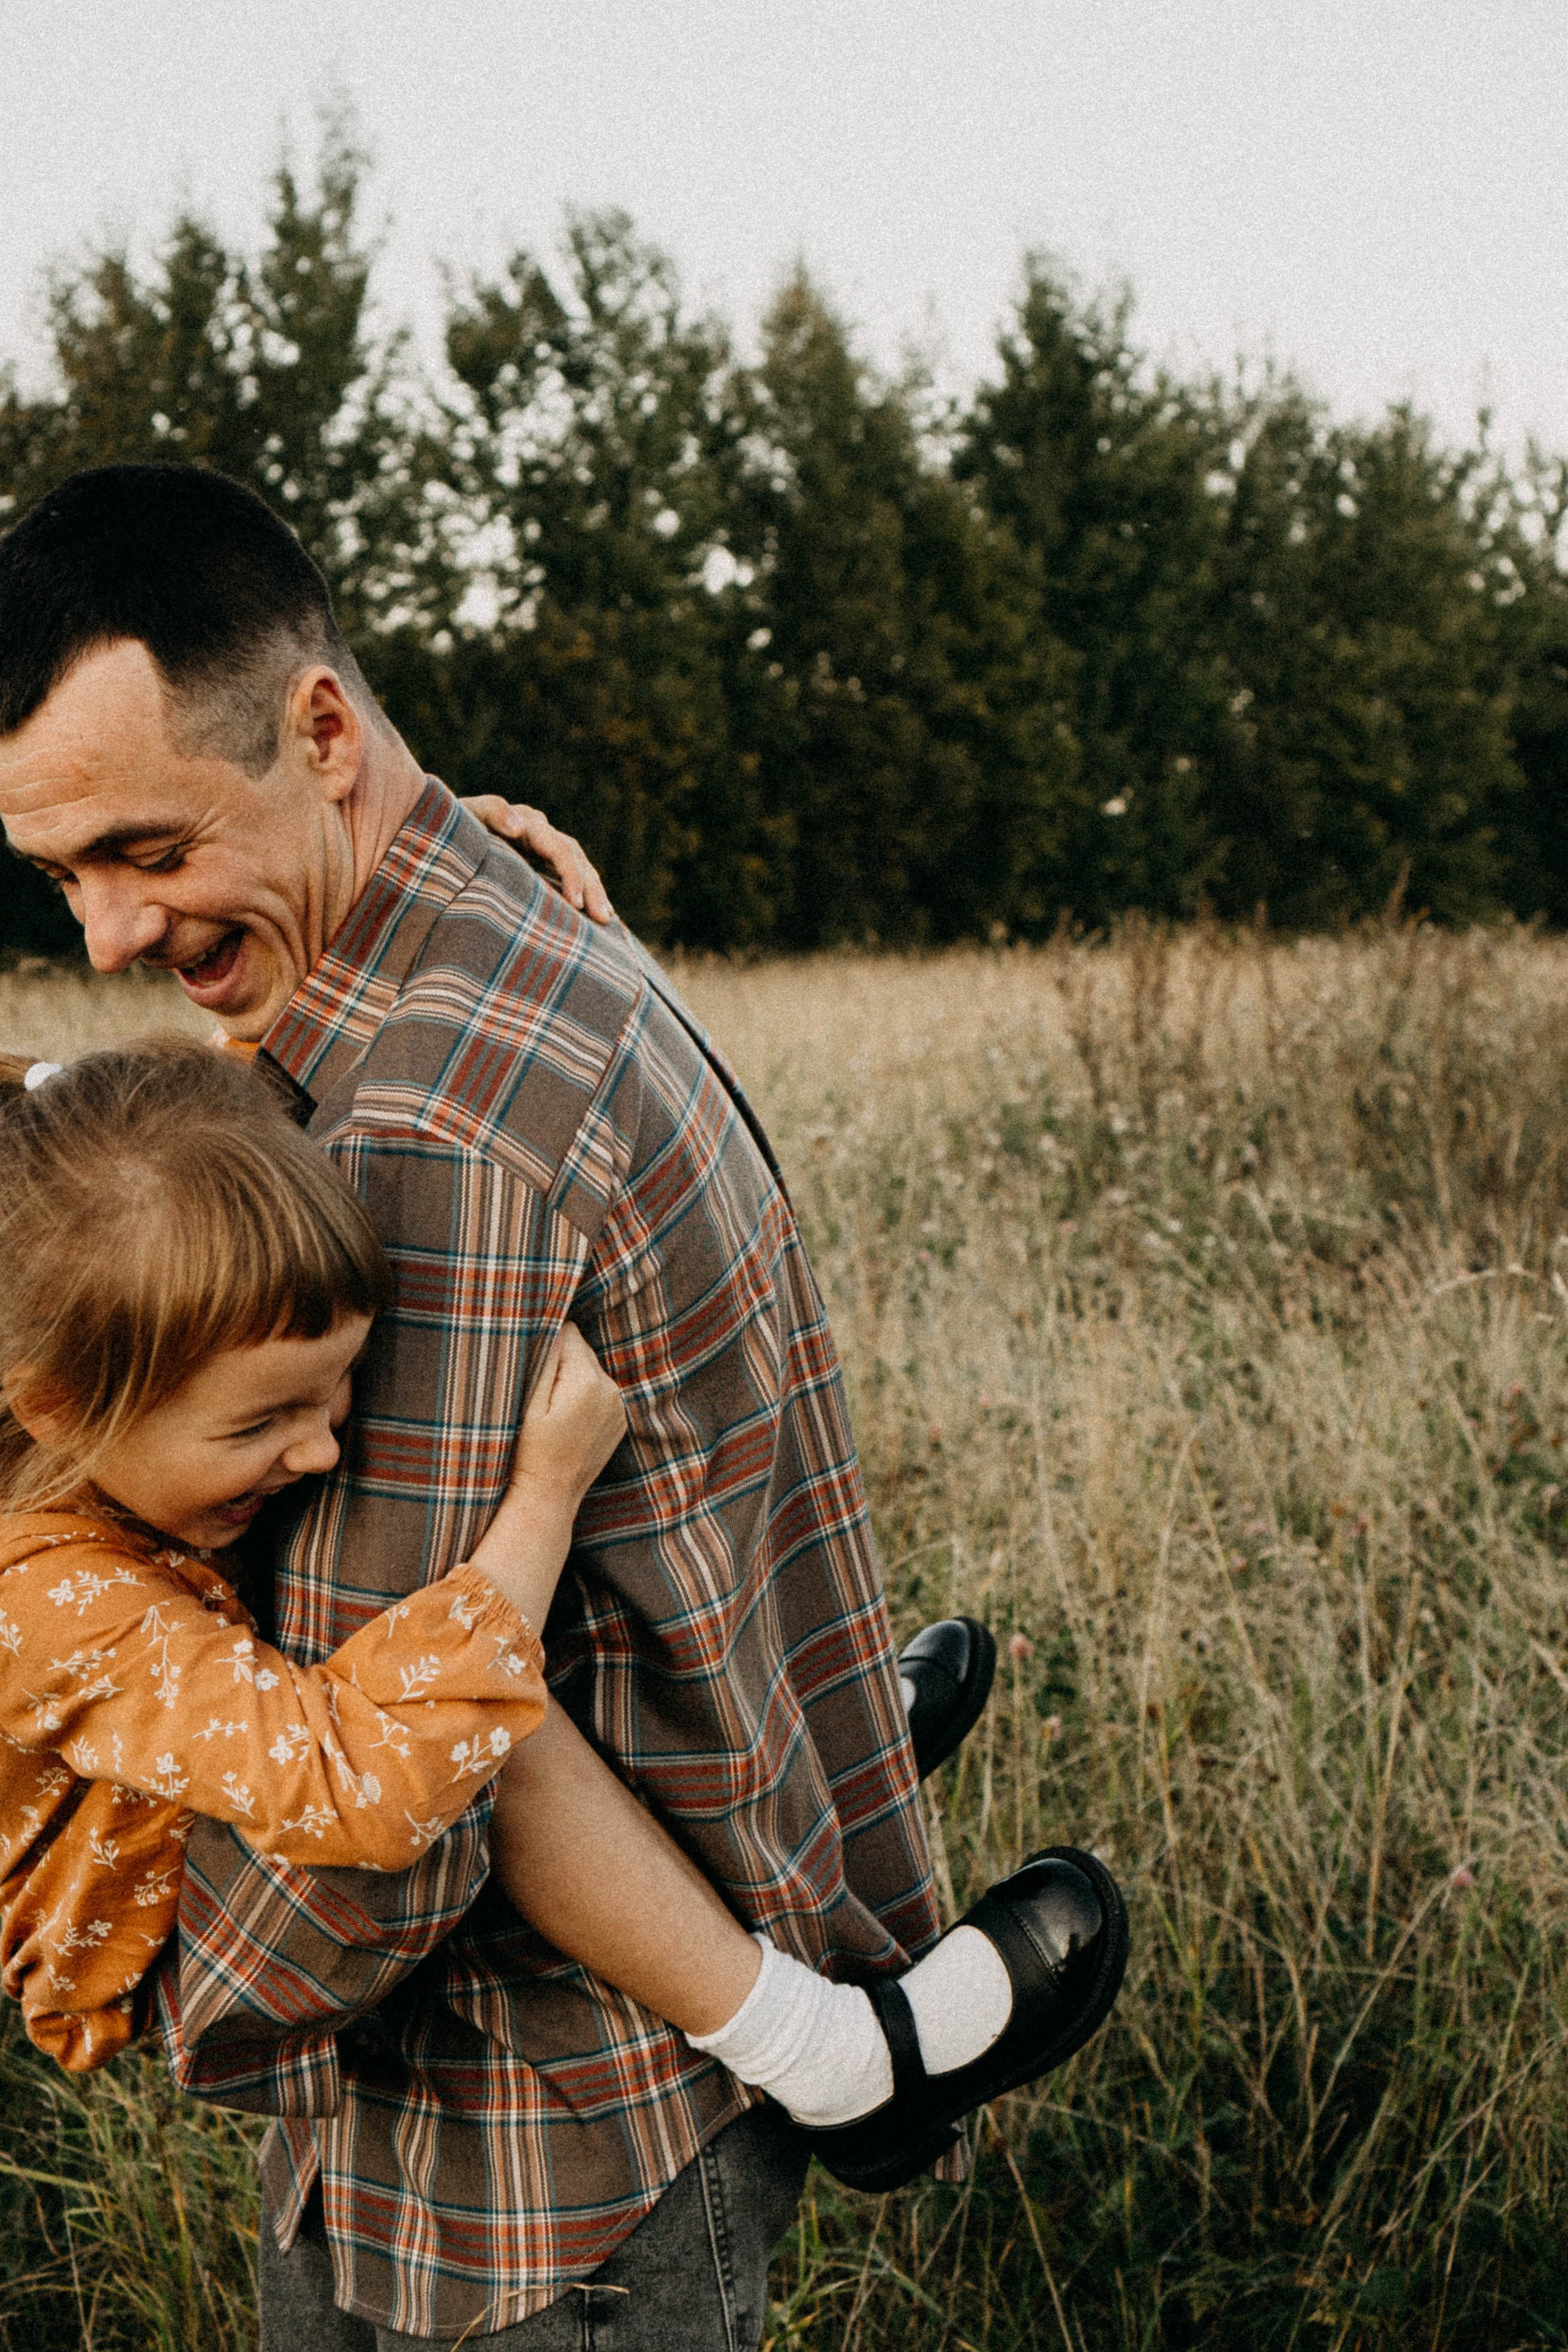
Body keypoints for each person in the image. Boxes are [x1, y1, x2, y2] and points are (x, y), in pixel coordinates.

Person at [0, 466, 1126, 2350]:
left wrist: (195, 2003)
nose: (107, 932)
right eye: (62, 879)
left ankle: (850, 2045)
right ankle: (790, 1785)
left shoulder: (417, 1137)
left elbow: (385, 1809)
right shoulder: (505, 917)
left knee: (461, 1677)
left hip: (517, 2179)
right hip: (532, 2104)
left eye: (146, 850)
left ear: (324, 734)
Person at [0, 1039, 1121, 2171]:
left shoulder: (76, 1215)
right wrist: (542, 1496)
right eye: (259, 1424)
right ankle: (842, 2066)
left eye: (334, 1389)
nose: (323, 1443)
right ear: (53, 1407)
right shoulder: (38, 1598)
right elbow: (364, 1783)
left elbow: (154, 1111)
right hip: (168, 1941)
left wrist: (491, 854)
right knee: (471, 1712)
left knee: (447, 1610)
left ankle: (797, 1776)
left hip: (240, 1764)